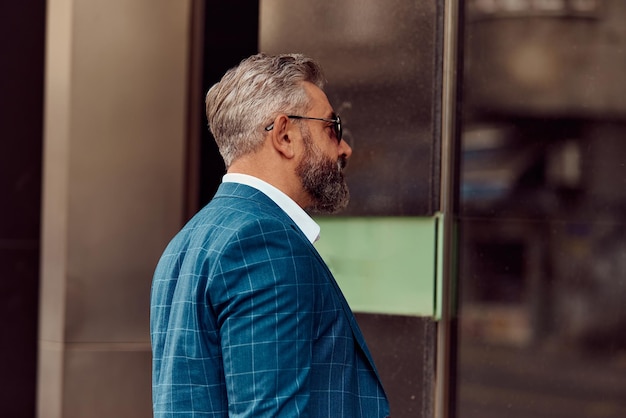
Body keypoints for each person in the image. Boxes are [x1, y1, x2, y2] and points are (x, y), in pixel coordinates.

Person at [150, 53, 390, 417]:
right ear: (285, 135)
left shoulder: (187, 241)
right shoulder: (263, 243)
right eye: (332, 127)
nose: (345, 147)